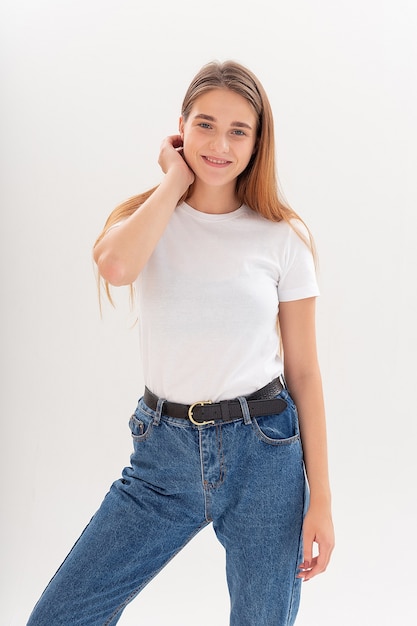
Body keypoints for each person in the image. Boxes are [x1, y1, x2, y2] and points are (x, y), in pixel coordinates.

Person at [27, 59, 334, 626]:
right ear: (181, 129)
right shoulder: (148, 220)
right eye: (205, 125)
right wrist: (175, 179)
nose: (219, 143)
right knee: (62, 616)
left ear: (258, 142)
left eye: (239, 130)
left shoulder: (282, 237)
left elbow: (306, 373)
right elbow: (116, 266)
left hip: (264, 452)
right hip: (161, 456)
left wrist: (322, 499)